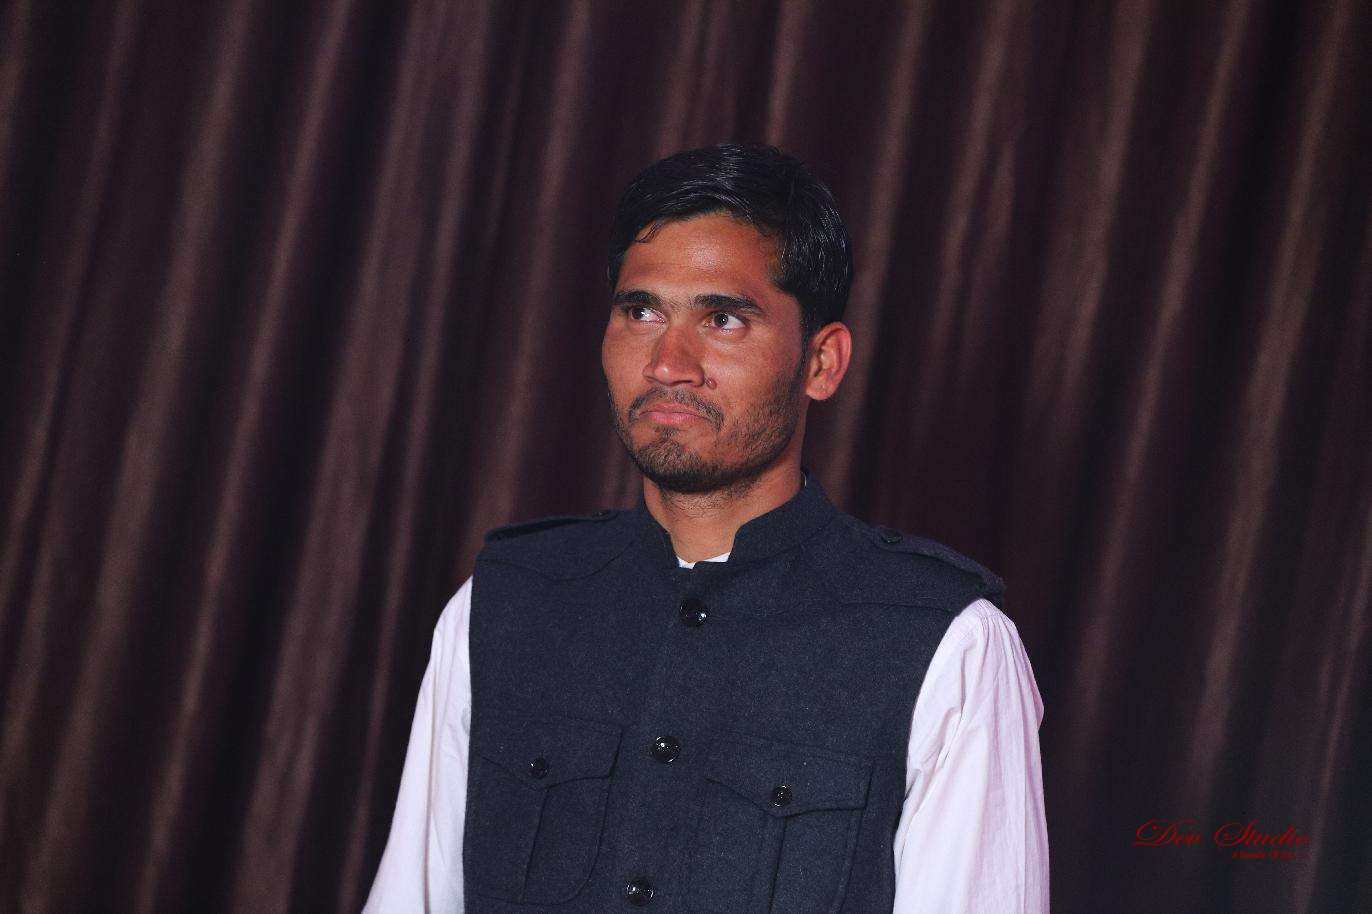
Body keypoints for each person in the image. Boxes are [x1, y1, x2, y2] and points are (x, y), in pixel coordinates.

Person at [363, 143, 1048, 913]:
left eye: (722, 319)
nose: (668, 363)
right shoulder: (500, 607)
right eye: (642, 312)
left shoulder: (950, 647)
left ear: (822, 362)